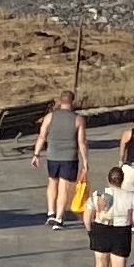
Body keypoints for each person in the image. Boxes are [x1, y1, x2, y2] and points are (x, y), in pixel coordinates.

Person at [83, 161, 134, 267]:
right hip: (121, 231)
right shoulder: (131, 197)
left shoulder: (98, 195)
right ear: (122, 181)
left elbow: (87, 215)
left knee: (101, 264)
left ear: (108, 180)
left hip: (101, 229)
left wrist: (90, 229)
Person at [34, 96, 85, 225]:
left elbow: (42, 136)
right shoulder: (78, 119)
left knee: (52, 182)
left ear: (60, 102)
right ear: (72, 102)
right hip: (69, 156)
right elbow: (81, 142)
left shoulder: (50, 117)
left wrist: (36, 154)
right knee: (64, 186)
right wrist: (85, 161)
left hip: (53, 155)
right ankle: (59, 218)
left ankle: (51, 212)